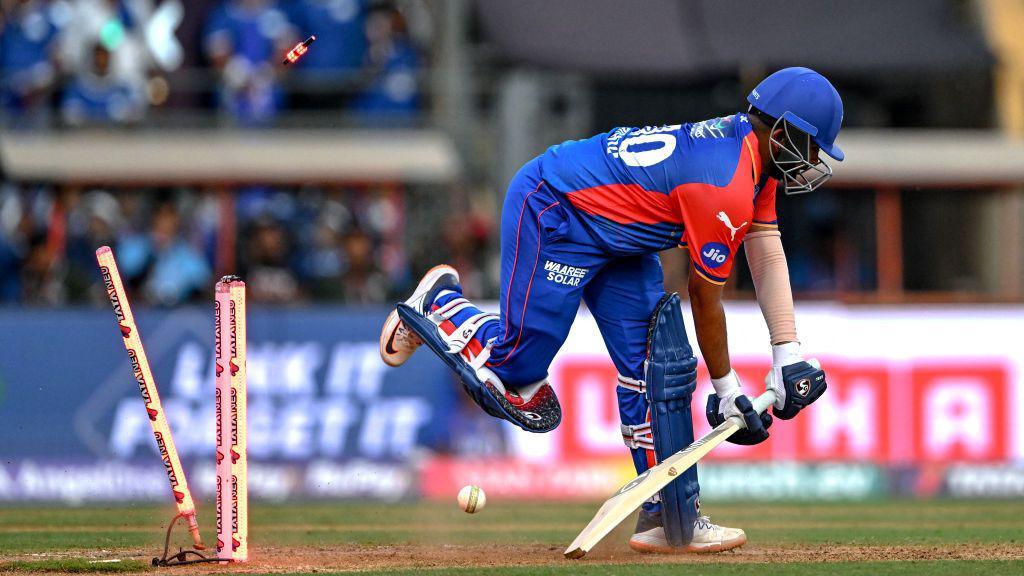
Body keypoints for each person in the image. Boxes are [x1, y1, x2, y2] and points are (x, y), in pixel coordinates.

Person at [380, 67, 839, 553]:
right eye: (812, 146)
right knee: (515, 378)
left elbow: (766, 249)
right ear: (785, 129)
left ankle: (669, 514)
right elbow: (705, 299)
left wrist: (786, 354)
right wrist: (727, 389)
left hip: (624, 236)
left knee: (658, 369)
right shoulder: (723, 182)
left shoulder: (753, 157)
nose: (812, 161)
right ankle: (441, 305)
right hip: (558, 208)